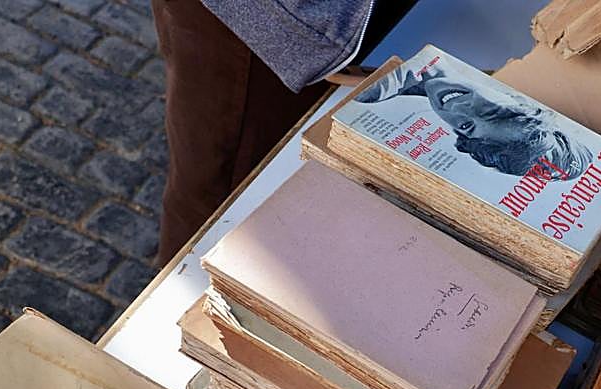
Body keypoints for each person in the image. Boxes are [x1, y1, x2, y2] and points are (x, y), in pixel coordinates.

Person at [150, 0, 408, 266]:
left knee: (292, 178)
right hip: (269, 23)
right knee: (227, 191)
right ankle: (189, 287)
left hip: (329, 22)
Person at [356, 61, 593, 180]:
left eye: (465, 127)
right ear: (519, 100)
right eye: (491, 111)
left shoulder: (376, 92)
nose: (457, 107)